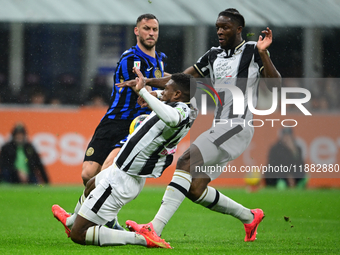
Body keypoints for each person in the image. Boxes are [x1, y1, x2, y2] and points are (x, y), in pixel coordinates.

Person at [119, 8, 281, 242]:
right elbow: (181, 80)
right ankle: (249, 217)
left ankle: (155, 228)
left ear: (238, 29)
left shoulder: (252, 51)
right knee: (195, 189)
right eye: (217, 27)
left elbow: (276, 87)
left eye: (225, 27)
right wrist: (147, 84)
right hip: (222, 126)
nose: (219, 31)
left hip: (237, 125)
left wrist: (264, 53)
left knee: (186, 159)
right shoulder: (213, 55)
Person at [52, 68, 197, 248]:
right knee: (91, 184)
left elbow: (171, 117)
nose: (163, 91)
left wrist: (143, 90)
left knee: (79, 235)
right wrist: (153, 93)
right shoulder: (185, 104)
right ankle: (71, 221)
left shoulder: (179, 112)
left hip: (123, 179)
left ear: (177, 94)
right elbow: (169, 98)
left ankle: (144, 239)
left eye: (167, 89)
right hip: (121, 170)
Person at [82, 13, 167, 186]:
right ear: (137, 31)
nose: (151, 33)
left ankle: (86, 213)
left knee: (107, 172)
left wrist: (184, 83)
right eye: (146, 29)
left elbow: (161, 82)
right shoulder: (131, 58)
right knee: (88, 175)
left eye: (154, 29)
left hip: (135, 125)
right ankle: (97, 211)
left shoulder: (159, 60)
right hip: (113, 120)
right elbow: (142, 89)